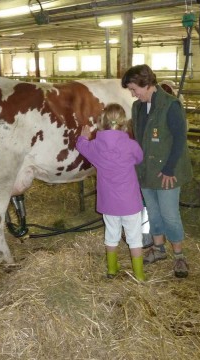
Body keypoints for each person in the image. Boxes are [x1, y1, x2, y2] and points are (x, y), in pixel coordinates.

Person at [121, 64, 193, 278]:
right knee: (152, 212)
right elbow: (139, 138)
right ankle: (159, 249)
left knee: (170, 215)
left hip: (167, 170)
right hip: (145, 170)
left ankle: (179, 256)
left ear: (147, 83)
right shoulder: (138, 107)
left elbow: (180, 139)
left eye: (135, 89)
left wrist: (170, 169)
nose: (133, 94)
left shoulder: (171, 105)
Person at [76, 103, 146, 281]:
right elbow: (140, 158)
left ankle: (112, 270)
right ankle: (139, 276)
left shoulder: (95, 146)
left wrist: (83, 137)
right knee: (135, 239)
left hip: (109, 204)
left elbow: (81, 146)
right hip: (130, 203)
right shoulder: (131, 145)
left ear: (101, 122)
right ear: (123, 123)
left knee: (111, 236)